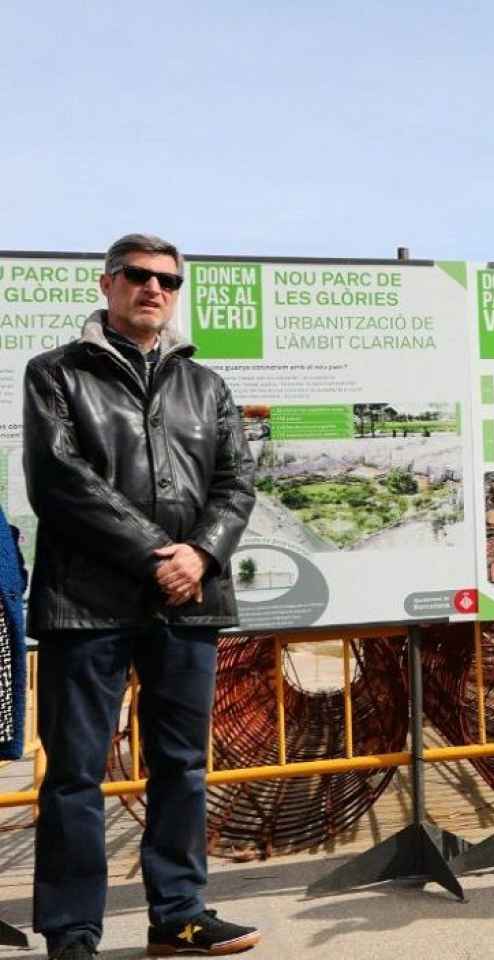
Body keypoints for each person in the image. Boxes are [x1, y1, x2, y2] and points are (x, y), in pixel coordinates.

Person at [26, 234, 259, 959]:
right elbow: (60, 481)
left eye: (167, 280)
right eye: (138, 276)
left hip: (187, 603)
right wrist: (159, 555)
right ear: (108, 284)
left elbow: (236, 483)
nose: (154, 288)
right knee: (74, 776)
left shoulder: (207, 387)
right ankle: (71, 932)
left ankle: (180, 914)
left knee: (182, 766)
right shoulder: (56, 374)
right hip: (85, 605)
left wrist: (204, 551)